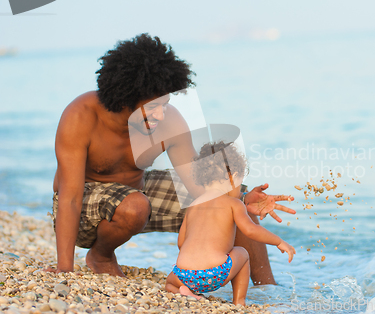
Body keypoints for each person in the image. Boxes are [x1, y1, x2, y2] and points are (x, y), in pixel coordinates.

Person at [49, 33, 296, 285]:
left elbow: (200, 191)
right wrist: (64, 268)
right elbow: (70, 196)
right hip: (83, 208)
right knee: (135, 206)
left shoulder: (170, 121)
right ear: (125, 97)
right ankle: (100, 256)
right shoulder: (81, 115)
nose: (160, 114)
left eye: (164, 104)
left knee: (230, 199)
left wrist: (241, 199)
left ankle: (268, 292)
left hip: (137, 196)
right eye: (152, 106)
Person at [165, 141, 295, 305]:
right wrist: (279, 241)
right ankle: (239, 302)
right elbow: (251, 230)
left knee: (169, 282)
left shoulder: (193, 205)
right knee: (242, 253)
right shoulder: (234, 204)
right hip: (216, 274)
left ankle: (182, 290)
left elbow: (181, 242)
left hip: (185, 274)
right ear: (233, 177)